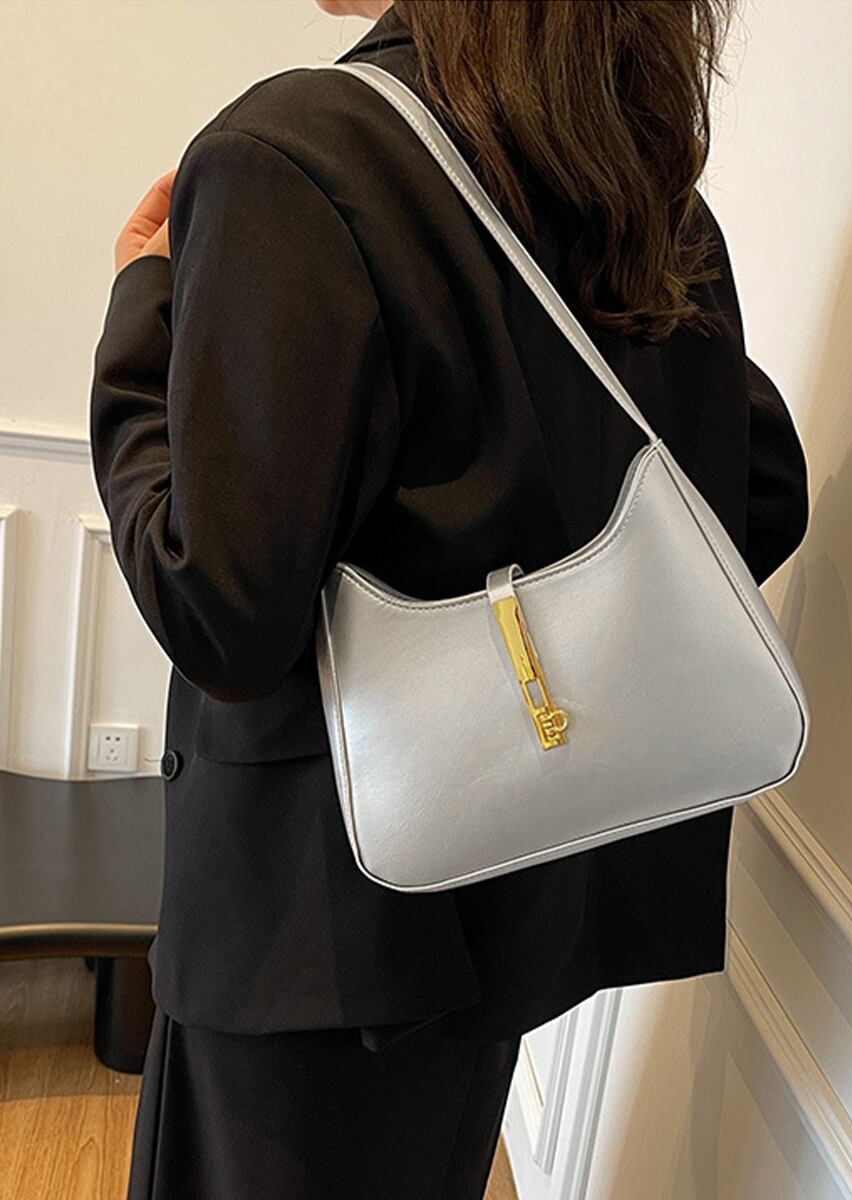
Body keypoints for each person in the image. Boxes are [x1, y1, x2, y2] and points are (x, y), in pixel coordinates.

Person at [89, 1, 809, 1196]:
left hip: (312, 932)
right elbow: (759, 493)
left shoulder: (294, 155)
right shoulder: (636, 192)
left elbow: (217, 612)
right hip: (520, 884)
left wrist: (138, 313)